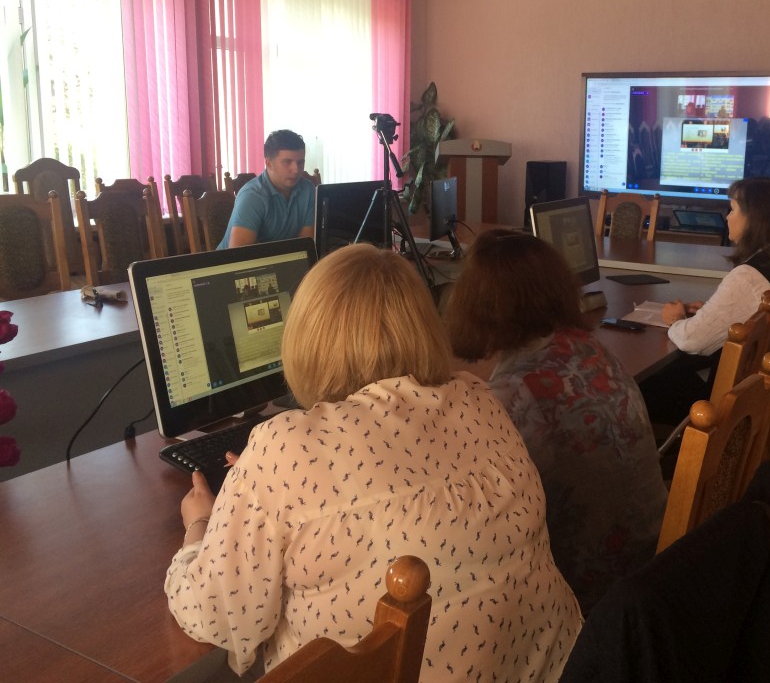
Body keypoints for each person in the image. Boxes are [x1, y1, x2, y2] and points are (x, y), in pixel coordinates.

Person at [165, 245, 582, 678]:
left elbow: (213, 617)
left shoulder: (284, 447)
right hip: (555, 669)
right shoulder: (479, 398)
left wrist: (200, 524)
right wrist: (264, 480)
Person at [445, 229, 668, 615]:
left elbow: (474, 523)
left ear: (479, 305)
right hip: (655, 559)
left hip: (590, 597)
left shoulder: (512, 394)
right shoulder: (590, 347)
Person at [651, 176, 770, 454]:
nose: (727, 217)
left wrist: (676, 319)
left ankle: (659, 462)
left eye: (733, 209)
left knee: (643, 388)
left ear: (754, 219)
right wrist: (712, 313)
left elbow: (692, 341)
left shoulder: (749, 276)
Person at [217, 129, 315, 249]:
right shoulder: (252, 196)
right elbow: (239, 256)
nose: (296, 170)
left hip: (283, 259)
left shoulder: (308, 190)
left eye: (300, 162)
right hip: (238, 260)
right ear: (269, 164)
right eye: (287, 162)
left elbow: (305, 246)